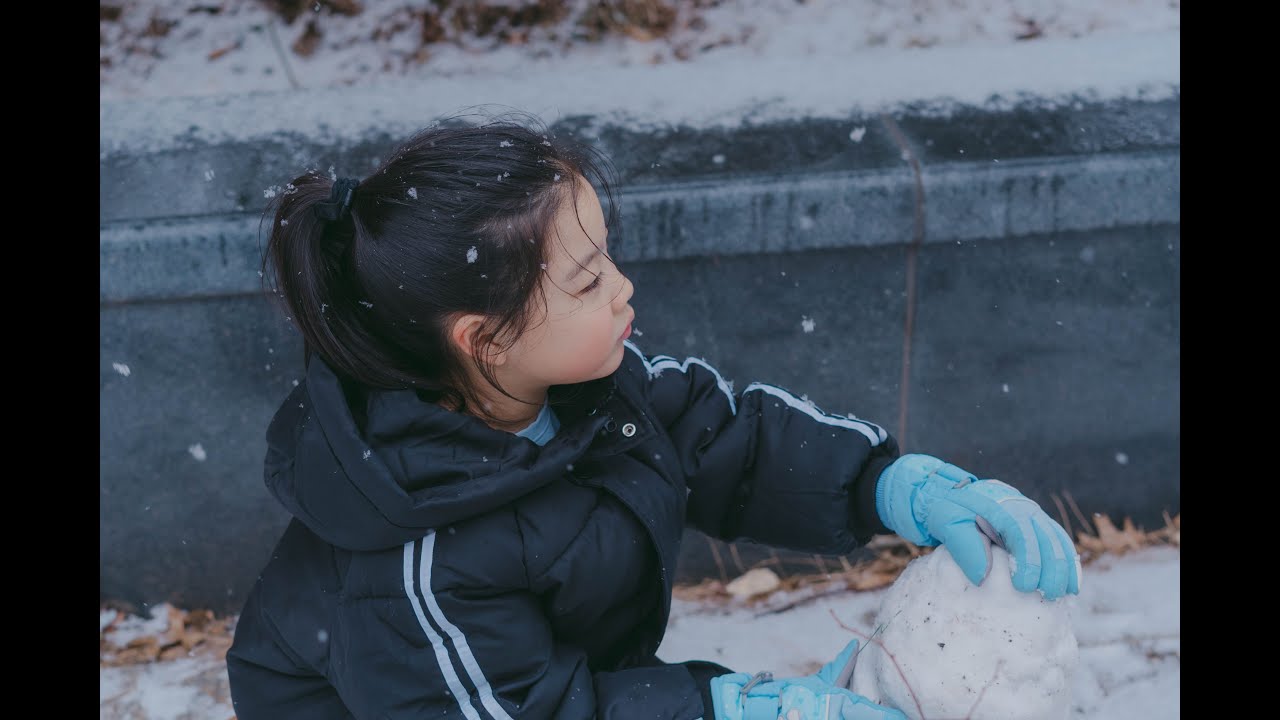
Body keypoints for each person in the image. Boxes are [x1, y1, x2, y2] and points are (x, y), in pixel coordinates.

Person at [226, 110, 1082, 720]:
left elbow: (729, 443)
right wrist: (725, 707)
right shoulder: (412, 571)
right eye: (587, 279)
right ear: (486, 340)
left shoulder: (597, 391)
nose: (623, 287)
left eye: (609, 257)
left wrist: (886, 485)